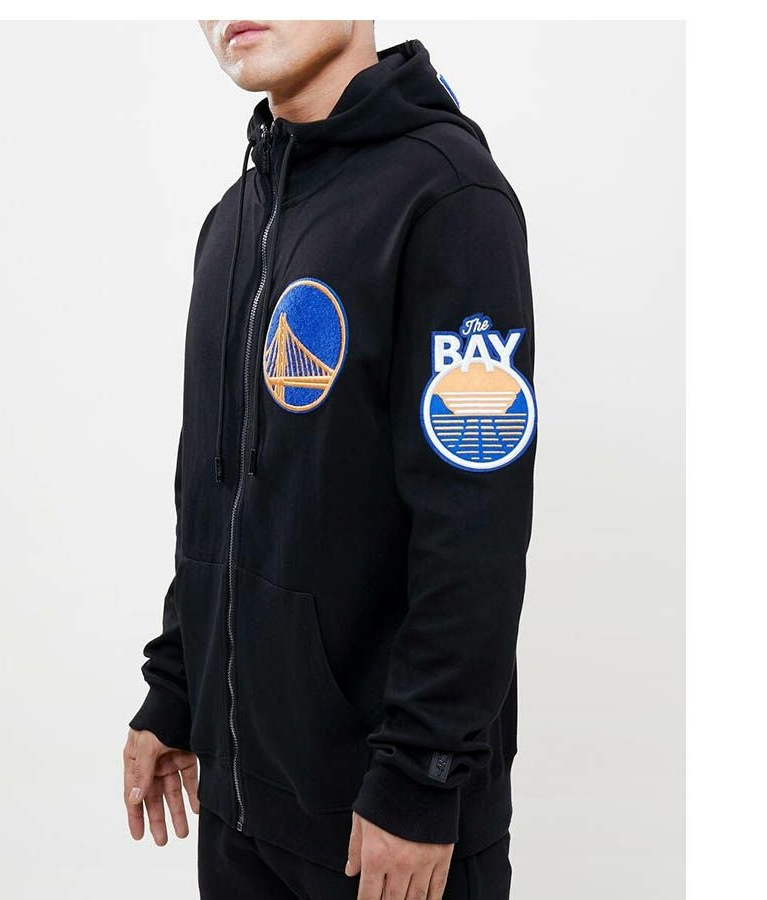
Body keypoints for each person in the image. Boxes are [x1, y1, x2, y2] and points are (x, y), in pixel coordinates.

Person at [123, 20, 535, 900]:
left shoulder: (450, 198)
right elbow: (212, 494)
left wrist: (422, 775)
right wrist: (176, 689)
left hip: (380, 825)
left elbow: (477, 525)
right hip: (240, 809)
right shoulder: (231, 222)